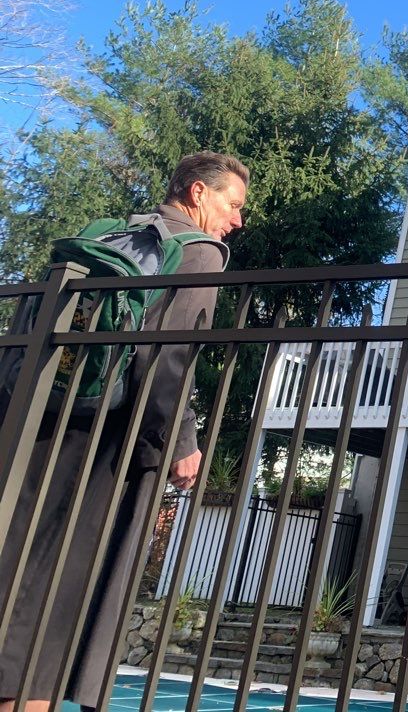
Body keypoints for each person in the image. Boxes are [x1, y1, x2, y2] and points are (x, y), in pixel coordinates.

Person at [0, 151, 248, 712]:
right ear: (197, 193)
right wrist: (179, 443)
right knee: (65, 588)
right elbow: (169, 360)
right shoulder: (200, 253)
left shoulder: (107, 234)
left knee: (17, 563)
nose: (237, 221)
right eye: (232, 206)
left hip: (38, 422)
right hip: (110, 438)